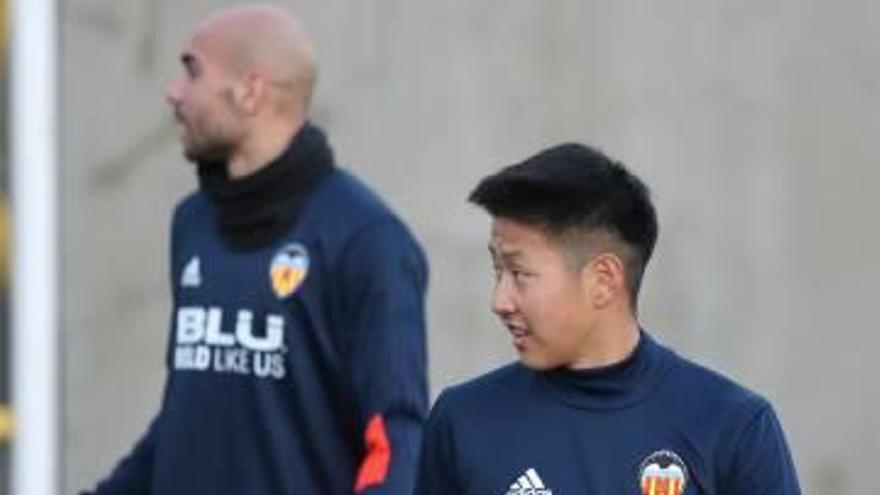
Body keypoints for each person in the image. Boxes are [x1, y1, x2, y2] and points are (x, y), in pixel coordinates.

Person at [85, 4, 428, 494]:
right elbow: (190, 414)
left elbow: (395, 439)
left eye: (192, 70)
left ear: (250, 91)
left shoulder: (366, 241)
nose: (173, 91)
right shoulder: (193, 222)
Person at [415, 143, 801, 494]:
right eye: (497, 271)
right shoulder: (463, 423)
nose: (500, 301)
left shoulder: (733, 427)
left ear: (603, 280)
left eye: (519, 273)